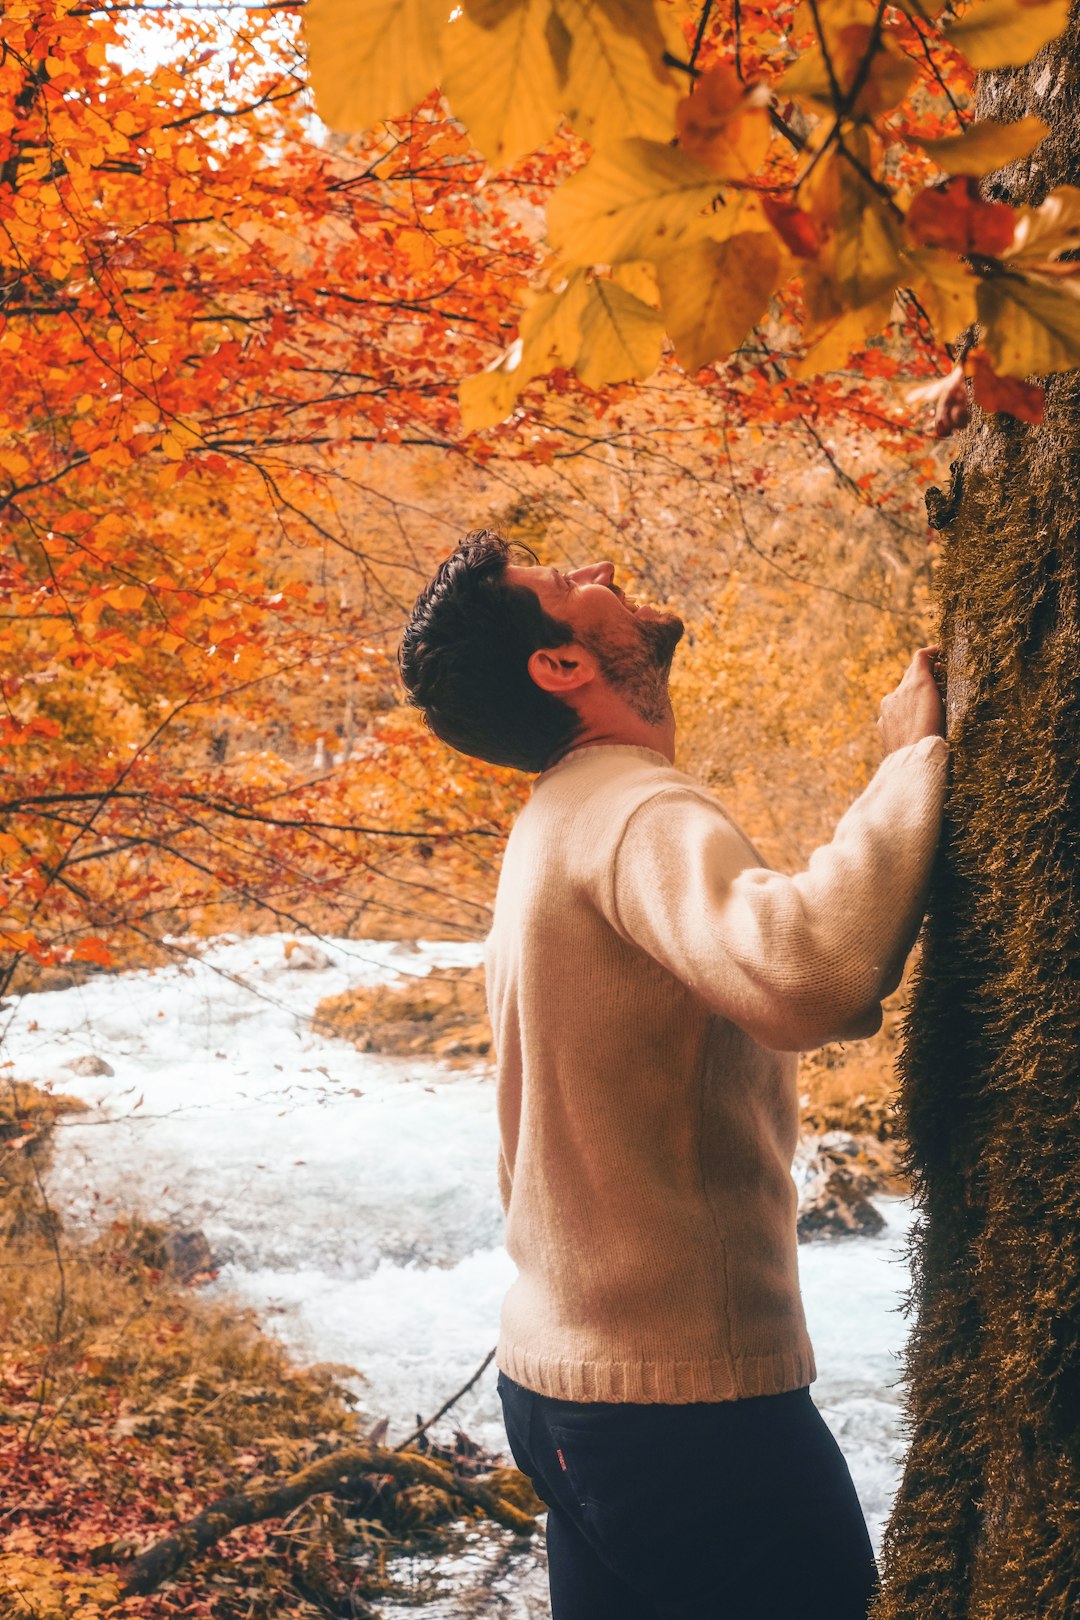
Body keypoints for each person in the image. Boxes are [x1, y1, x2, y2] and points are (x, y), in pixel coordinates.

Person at [397, 529, 949, 1620]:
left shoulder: (557, 819)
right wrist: (907, 767)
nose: (599, 571)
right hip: (682, 1409)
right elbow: (808, 974)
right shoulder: (635, 809)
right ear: (561, 666)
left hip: (561, 1391)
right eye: (567, 587)